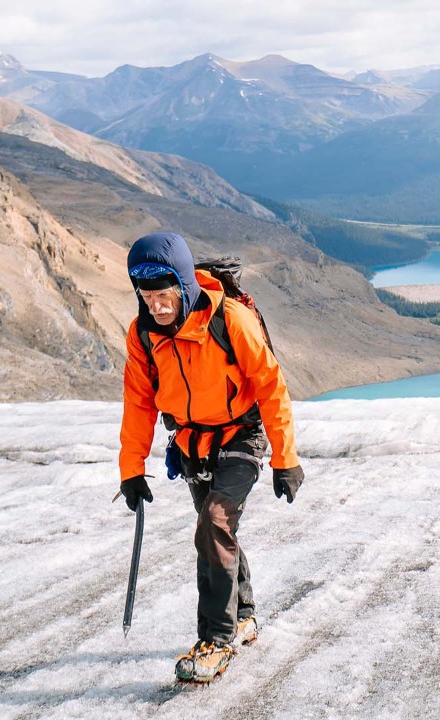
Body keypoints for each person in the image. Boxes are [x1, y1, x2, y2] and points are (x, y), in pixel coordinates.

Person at [117, 231, 304, 683]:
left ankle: (216, 640)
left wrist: (285, 458)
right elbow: (139, 401)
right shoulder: (142, 335)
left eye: (164, 295)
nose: (157, 306)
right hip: (191, 445)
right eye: (147, 297)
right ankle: (244, 616)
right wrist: (131, 469)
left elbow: (271, 387)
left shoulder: (231, 319)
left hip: (243, 435)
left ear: (183, 286)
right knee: (214, 530)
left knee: (214, 524)